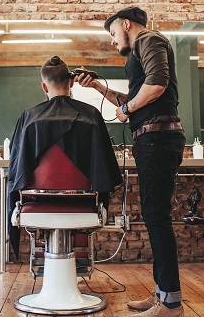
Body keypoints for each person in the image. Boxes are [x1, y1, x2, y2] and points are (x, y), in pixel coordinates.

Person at [76, 6, 186, 317]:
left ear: (126, 24)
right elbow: (133, 102)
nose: (112, 41)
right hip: (152, 138)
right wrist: (97, 87)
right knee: (154, 217)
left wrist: (126, 111)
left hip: (158, 139)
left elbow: (157, 85)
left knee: (157, 217)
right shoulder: (138, 52)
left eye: (112, 33)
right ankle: (163, 294)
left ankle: (171, 304)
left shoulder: (148, 40)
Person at [7, 55, 122, 258]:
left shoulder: (28, 118)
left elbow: (17, 168)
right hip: (84, 202)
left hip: (37, 201)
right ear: (71, 82)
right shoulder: (91, 115)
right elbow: (105, 169)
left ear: (44, 87)